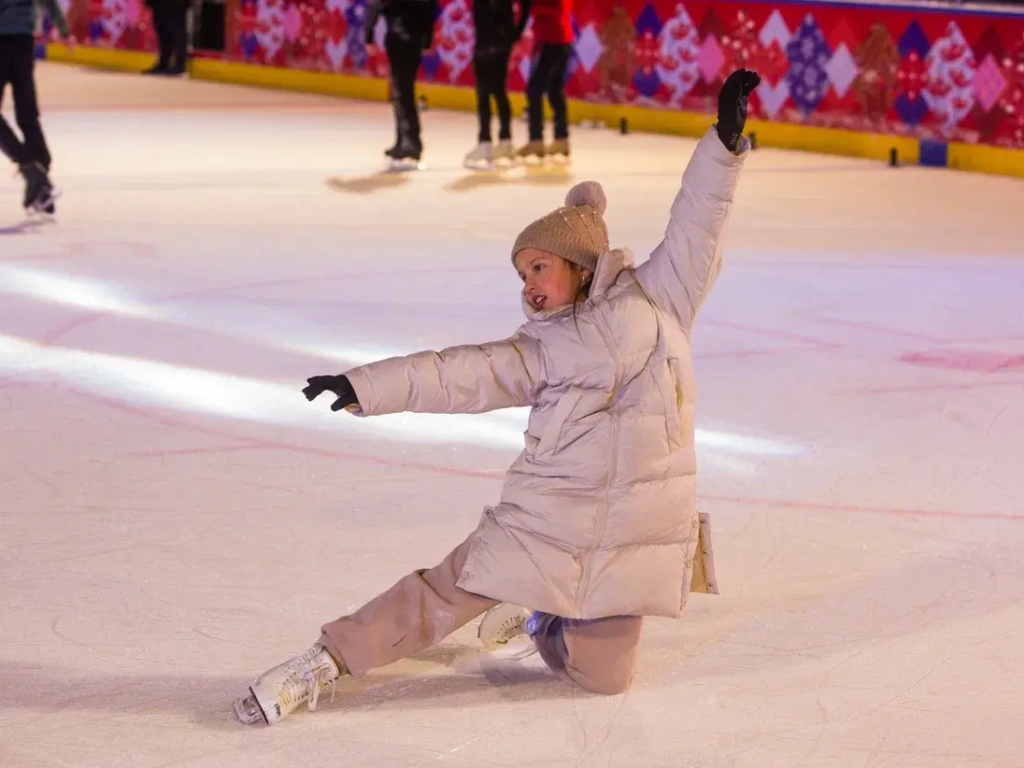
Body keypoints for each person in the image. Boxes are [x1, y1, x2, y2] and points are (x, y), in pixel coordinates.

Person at [233, 68, 761, 727]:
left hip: (629, 534)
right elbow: (454, 374)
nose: (529, 284)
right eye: (522, 274)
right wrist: (363, 386)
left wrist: (722, 143)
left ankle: (544, 615)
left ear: (578, 262)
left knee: (603, 680)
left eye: (539, 266)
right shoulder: (539, 348)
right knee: (440, 599)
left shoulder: (661, 298)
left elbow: (699, 225)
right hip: (546, 520)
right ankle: (320, 664)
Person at [0, 0, 72, 213]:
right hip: (23, 41)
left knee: (27, 114)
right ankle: (42, 186)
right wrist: (64, 31)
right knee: (27, 114)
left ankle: (29, 167)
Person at [364, 0, 438, 167]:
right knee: (405, 90)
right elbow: (429, 8)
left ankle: (410, 142)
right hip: (414, 39)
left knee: (401, 92)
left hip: (398, 37)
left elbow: (375, 5)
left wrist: (368, 35)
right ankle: (405, 140)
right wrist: (427, 39)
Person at [462, 0, 529, 170]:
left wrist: (516, 30)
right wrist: (515, 31)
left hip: (488, 39)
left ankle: (486, 141)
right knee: (499, 91)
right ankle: (505, 140)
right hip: (501, 39)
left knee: (485, 93)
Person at [515, 0, 573, 162]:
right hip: (563, 38)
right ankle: (561, 138)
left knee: (534, 90)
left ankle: (536, 139)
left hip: (550, 38)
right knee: (555, 90)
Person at [142, 0, 190, 76]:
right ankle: (163, 63)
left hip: (176, 4)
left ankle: (180, 65)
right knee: (162, 31)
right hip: (159, 3)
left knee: (177, 33)